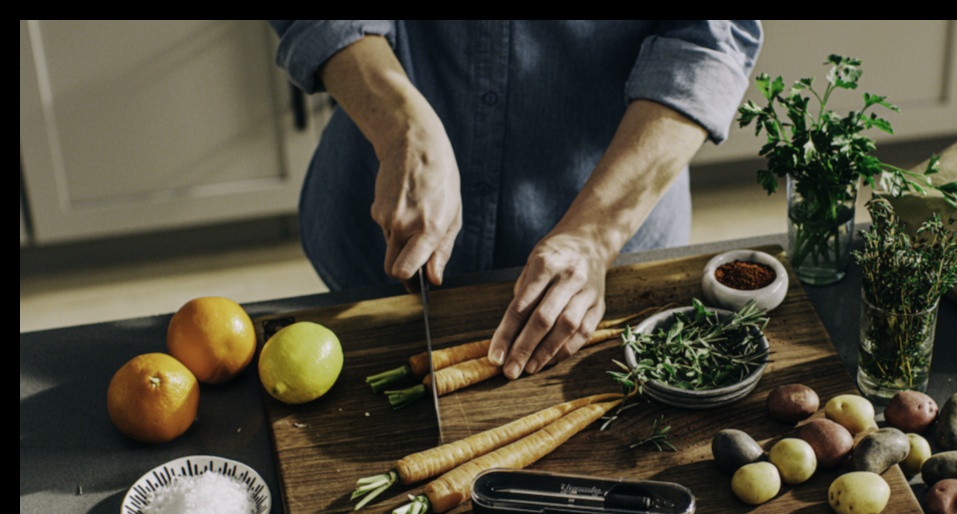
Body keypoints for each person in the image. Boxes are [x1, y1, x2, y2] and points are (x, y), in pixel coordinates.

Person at [271, 21, 762, 379]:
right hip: (381, 219)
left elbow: (711, 39)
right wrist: (399, 127)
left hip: (610, 244)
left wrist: (594, 234)